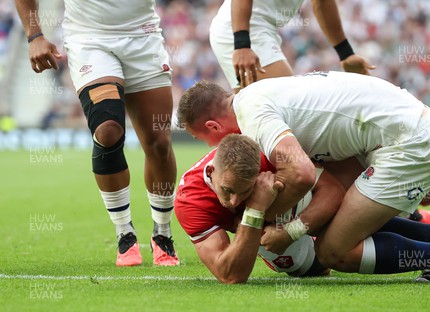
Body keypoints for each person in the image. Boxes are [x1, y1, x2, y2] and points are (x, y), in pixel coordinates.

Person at [177, 72, 430, 281]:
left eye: (201, 139)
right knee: (339, 219)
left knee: (334, 251)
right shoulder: (258, 95)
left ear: (212, 127)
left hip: (408, 144)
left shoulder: (254, 117)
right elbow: (330, 183)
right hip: (407, 132)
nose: (209, 148)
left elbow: (302, 173)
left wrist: (279, 225)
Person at [15, 0, 179, 266]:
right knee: (108, 131)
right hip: (90, 41)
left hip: (143, 37)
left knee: (159, 143)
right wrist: (35, 35)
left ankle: (162, 232)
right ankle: (125, 233)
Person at [174, 134, 344, 283]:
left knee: (291, 187)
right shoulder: (189, 199)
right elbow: (230, 275)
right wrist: (255, 209)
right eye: (228, 190)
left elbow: (333, 190)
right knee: (310, 267)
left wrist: (291, 232)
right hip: (266, 232)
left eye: (245, 191)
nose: (234, 201)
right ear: (211, 171)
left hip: (319, 203)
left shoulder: (269, 155)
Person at [209, 0, 374, 91]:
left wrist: (346, 54)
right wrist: (242, 44)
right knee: (294, 113)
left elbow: (322, 3)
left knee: (256, 126)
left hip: (250, 31)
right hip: (243, 30)